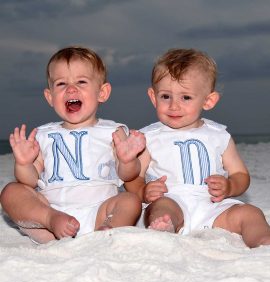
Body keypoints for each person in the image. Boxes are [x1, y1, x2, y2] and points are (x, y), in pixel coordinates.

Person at [125, 48, 270, 248]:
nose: (174, 106)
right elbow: (133, 177)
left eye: (186, 98)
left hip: (213, 206)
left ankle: (262, 241)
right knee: (160, 209)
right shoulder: (149, 137)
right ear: (153, 96)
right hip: (171, 199)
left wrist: (229, 187)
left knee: (251, 213)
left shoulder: (219, 135)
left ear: (208, 101)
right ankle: (165, 228)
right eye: (166, 96)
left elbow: (240, 174)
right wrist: (143, 190)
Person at [0, 46, 145, 244]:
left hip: (100, 212)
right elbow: (30, 181)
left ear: (102, 92)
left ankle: (109, 230)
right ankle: (49, 221)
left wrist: (127, 159)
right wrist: (24, 164)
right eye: (61, 84)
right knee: (11, 192)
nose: (70, 89)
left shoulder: (113, 132)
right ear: (50, 97)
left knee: (130, 201)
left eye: (81, 82)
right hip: (52, 212)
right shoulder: (43, 135)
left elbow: (127, 175)